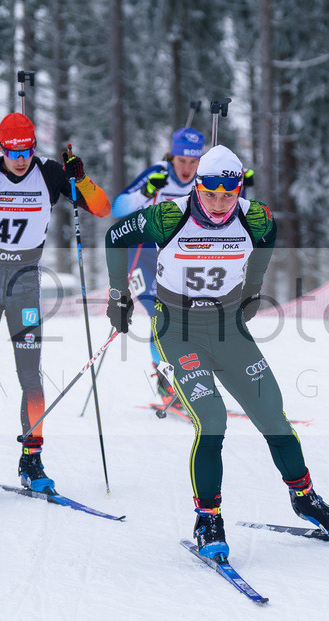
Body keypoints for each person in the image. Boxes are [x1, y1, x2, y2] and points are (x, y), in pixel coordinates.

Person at [104, 145, 329, 561]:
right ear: (197, 187)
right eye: (210, 194)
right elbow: (115, 235)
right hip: (178, 330)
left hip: (228, 328)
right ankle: (208, 518)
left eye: (229, 195)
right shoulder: (169, 216)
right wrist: (118, 295)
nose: (220, 204)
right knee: (213, 421)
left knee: (273, 414)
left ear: (239, 188)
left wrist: (253, 289)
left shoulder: (254, 216)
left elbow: (267, 239)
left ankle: (305, 498)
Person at [0, 113, 110, 492]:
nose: (20, 159)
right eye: (13, 151)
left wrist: (80, 179)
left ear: (33, 145)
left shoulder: (48, 173)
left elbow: (101, 208)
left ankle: (32, 457)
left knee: (30, 375)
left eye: (26, 150)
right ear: (0, 148)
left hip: (26, 284)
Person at [110, 127, 205, 409]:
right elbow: (117, 209)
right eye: (182, 161)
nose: (187, 169)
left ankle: (186, 382)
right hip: (142, 258)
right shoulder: (158, 174)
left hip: (177, 262)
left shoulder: (202, 182)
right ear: (171, 156)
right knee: (161, 318)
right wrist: (146, 191)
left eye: (193, 162)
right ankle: (167, 388)